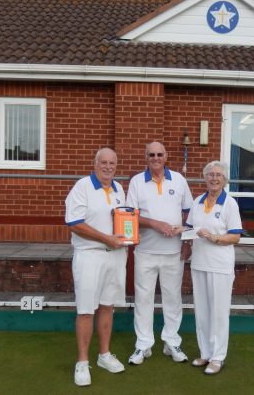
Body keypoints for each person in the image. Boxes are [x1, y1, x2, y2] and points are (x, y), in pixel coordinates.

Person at [126, 141, 193, 365]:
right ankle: (143, 345)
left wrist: (186, 242)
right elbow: (130, 216)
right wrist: (155, 224)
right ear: (146, 157)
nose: (155, 158)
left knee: (173, 298)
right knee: (143, 299)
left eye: (159, 154)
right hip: (145, 251)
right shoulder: (137, 181)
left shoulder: (179, 180)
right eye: (151, 154)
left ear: (166, 157)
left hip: (174, 252)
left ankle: (171, 341)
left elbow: (188, 214)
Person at [65, 148, 127, 386]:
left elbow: (125, 219)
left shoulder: (119, 188)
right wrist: (106, 238)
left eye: (112, 162)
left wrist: (123, 239)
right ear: (95, 163)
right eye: (104, 162)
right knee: (85, 310)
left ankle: (104, 355)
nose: (108, 166)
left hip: (115, 255)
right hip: (89, 256)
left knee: (107, 307)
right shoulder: (82, 187)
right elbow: (74, 223)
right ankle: (82, 362)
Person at [186, 161, 243, 375]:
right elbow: (190, 229)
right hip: (199, 263)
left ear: (224, 179)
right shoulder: (197, 202)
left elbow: (236, 236)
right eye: (210, 175)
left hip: (220, 265)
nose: (214, 178)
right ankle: (205, 353)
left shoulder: (230, 204)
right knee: (202, 311)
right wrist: (177, 229)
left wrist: (214, 237)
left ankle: (218, 357)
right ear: (205, 178)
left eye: (218, 175)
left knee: (218, 313)